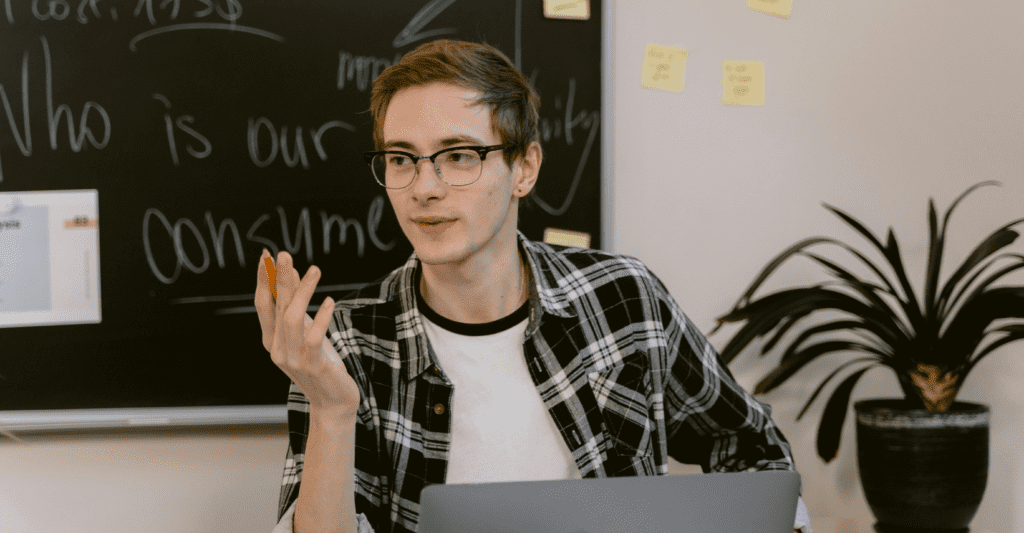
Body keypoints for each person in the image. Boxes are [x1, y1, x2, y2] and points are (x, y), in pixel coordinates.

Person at [254, 39, 813, 533]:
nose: (425, 187)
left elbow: (753, 451)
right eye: (402, 159)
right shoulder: (344, 344)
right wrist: (329, 407)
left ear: (525, 169)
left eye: (458, 156)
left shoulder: (623, 299)